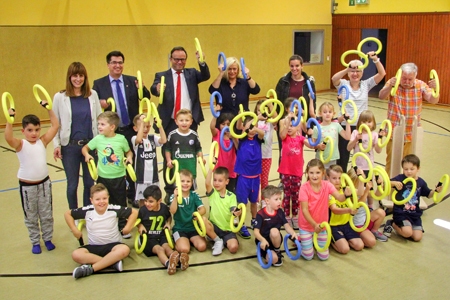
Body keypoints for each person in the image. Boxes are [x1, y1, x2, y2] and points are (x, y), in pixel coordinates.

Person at [151, 46, 209, 198]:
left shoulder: (191, 73)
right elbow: (153, 88)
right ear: (170, 59)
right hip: (169, 122)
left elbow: (206, 75)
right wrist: (157, 88)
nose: (179, 62)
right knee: (168, 157)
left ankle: (189, 188)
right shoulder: (162, 75)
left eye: (182, 59)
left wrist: (201, 61)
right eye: (176, 59)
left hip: (189, 122)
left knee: (189, 154)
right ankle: (171, 191)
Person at [93, 50, 151, 202]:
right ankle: (114, 197)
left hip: (130, 129)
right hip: (112, 132)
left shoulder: (132, 80)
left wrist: (142, 88)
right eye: (114, 62)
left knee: (132, 162)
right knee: (114, 163)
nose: (117, 65)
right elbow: (94, 106)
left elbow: (146, 98)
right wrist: (101, 104)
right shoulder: (99, 84)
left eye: (120, 62)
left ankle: (133, 196)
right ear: (108, 65)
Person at [4, 104, 58, 254]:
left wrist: (48, 108)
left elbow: (55, 125)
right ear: (23, 131)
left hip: (44, 184)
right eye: (29, 130)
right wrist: (9, 119)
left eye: (36, 129)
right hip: (27, 187)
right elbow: (8, 137)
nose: (34, 133)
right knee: (31, 215)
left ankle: (47, 238)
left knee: (46, 213)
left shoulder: (43, 141)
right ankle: (35, 241)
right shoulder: (21, 144)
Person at [53, 62, 102, 209]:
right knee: (72, 184)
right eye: (75, 75)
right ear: (69, 77)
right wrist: (57, 144)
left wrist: (100, 143)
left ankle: (87, 211)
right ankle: (74, 212)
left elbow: (100, 120)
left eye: (81, 76)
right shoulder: (60, 97)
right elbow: (56, 124)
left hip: (90, 145)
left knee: (89, 183)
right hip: (70, 147)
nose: (78, 79)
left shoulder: (92, 95)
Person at [64, 183, 138, 279]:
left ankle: (91, 269)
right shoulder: (87, 210)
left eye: (104, 198)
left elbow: (134, 212)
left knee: (124, 250)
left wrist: (128, 228)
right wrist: (74, 229)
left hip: (113, 246)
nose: (101, 202)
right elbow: (67, 214)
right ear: (91, 200)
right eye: (97, 199)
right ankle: (111, 263)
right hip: (94, 247)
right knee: (76, 255)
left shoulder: (113, 209)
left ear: (108, 198)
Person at [378, 63, 440, 175]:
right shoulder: (393, 83)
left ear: (415, 77)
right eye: (404, 78)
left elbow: (432, 100)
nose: (406, 82)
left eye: (410, 79)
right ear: (400, 75)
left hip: (412, 132)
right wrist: (389, 87)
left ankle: (408, 187)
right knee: (392, 163)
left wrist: (435, 90)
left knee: (410, 165)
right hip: (394, 131)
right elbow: (381, 96)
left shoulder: (421, 85)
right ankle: (390, 188)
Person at [81, 111, 133, 236]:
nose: (99, 127)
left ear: (112, 127)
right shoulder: (98, 139)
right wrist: (87, 155)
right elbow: (85, 148)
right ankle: (103, 224)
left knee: (120, 202)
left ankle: (121, 225)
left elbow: (128, 152)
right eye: (98, 124)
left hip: (119, 177)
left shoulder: (121, 139)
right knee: (103, 202)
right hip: (103, 178)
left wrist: (129, 158)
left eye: (102, 124)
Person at [331, 52, 385, 172]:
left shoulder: (366, 84)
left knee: (362, 155)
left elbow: (382, 74)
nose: (355, 73)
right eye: (352, 71)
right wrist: (347, 68)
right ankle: (342, 179)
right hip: (346, 125)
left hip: (362, 126)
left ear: (362, 72)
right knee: (343, 156)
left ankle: (359, 179)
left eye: (358, 71)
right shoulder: (343, 84)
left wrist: (375, 60)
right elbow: (334, 79)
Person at [298, 159, 349, 261]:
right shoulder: (304, 188)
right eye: (311, 173)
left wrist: (347, 195)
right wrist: (314, 225)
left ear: (323, 173)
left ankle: (309, 241)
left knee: (324, 257)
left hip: (322, 226)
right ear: (307, 173)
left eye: (317, 172)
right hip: (307, 226)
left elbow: (340, 198)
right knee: (308, 256)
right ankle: (302, 239)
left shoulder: (327, 185)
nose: (314, 176)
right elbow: (304, 210)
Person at [383, 154, 440, 242]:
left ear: (418, 169)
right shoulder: (401, 178)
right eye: (406, 169)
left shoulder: (421, 182)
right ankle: (392, 223)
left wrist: (436, 191)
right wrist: (394, 183)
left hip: (414, 214)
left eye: (412, 169)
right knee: (407, 233)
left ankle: (407, 226)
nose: (409, 171)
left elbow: (429, 194)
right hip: (401, 213)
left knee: (417, 238)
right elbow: (385, 183)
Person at [275, 55, 316, 171]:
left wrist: (310, 124)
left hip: (300, 121)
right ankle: (283, 176)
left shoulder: (309, 83)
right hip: (286, 120)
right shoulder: (283, 81)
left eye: (297, 66)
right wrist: (276, 120)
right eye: (292, 66)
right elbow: (277, 101)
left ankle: (296, 174)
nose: (294, 68)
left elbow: (313, 101)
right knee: (283, 149)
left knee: (297, 150)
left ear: (302, 66)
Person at [278, 109, 312, 229]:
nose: (290, 128)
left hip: (297, 172)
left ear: (298, 127)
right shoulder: (285, 138)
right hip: (285, 171)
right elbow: (282, 133)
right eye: (289, 126)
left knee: (296, 195)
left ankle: (296, 216)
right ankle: (287, 216)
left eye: (293, 126)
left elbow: (310, 144)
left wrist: (318, 144)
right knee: (287, 194)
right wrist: (288, 120)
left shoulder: (301, 139)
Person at [136, 185, 179, 275]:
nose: (147, 204)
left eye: (151, 201)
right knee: (160, 249)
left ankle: (179, 261)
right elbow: (137, 221)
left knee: (167, 248)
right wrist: (140, 226)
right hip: (148, 238)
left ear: (159, 201)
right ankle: (168, 264)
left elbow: (168, 217)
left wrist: (168, 223)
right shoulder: (143, 210)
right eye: (146, 201)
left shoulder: (164, 208)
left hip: (161, 235)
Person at [234, 116, 265, 239]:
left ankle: (254, 220)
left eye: (254, 126)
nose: (252, 129)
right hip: (243, 178)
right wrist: (246, 124)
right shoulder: (242, 139)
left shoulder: (258, 138)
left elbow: (262, 133)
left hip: (255, 177)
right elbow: (239, 128)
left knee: (254, 202)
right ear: (244, 128)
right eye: (249, 126)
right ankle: (241, 224)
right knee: (242, 203)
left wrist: (255, 126)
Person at [169, 169, 207, 270]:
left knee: (202, 247)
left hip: (193, 228)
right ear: (178, 183)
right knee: (184, 249)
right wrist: (176, 198)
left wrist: (198, 214)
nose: (185, 184)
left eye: (188, 181)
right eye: (182, 181)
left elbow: (203, 209)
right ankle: (178, 243)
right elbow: (172, 211)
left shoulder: (194, 195)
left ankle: (188, 241)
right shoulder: (173, 196)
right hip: (180, 228)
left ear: (192, 183)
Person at [346, 110, 383, 209]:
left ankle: (370, 206)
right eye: (364, 121)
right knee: (356, 187)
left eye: (369, 121)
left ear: (373, 123)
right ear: (359, 123)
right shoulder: (355, 132)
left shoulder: (374, 134)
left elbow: (379, 150)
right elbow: (348, 148)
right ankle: (355, 204)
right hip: (356, 167)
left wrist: (380, 138)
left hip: (368, 166)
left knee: (369, 187)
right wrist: (356, 140)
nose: (367, 124)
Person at [254, 185, 298, 267]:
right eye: (276, 199)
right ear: (267, 201)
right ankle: (264, 252)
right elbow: (256, 232)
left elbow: (287, 226)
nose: (279, 202)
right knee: (274, 260)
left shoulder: (280, 212)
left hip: (275, 238)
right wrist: (262, 240)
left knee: (274, 231)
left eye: (280, 199)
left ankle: (277, 250)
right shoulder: (261, 214)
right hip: (263, 241)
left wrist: (293, 233)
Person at [327, 165, 365, 254]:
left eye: (340, 178)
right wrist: (349, 210)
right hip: (334, 226)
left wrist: (361, 179)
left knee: (359, 246)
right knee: (345, 249)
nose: (337, 181)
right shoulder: (329, 192)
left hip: (347, 224)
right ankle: (331, 241)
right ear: (328, 178)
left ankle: (343, 240)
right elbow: (334, 210)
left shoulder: (345, 189)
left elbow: (360, 192)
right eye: (334, 178)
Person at [165, 109, 204, 196]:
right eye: (181, 120)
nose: (184, 123)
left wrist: (201, 157)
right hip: (178, 170)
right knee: (179, 191)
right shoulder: (172, 135)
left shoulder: (194, 135)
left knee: (191, 191)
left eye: (187, 120)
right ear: (176, 122)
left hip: (191, 170)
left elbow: (198, 148)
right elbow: (168, 149)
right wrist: (168, 160)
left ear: (191, 122)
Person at [131, 113, 167, 207]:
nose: (145, 129)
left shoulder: (152, 138)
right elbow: (138, 139)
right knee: (143, 200)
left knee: (155, 198)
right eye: (143, 126)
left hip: (153, 177)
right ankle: (144, 217)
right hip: (141, 177)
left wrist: (160, 126)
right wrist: (142, 123)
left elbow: (163, 140)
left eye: (147, 126)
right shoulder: (135, 138)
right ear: (135, 128)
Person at [203, 167, 240, 256]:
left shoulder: (231, 196)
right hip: (214, 227)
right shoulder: (213, 193)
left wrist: (236, 213)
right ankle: (218, 240)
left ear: (226, 182)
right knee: (203, 220)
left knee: (233, 248)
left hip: (227, 230)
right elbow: (207, 183)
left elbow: (233, 209)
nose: (216, 183)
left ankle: (220, 240)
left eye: (220, 180)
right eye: (215, 180)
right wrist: (211, 168)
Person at [346, 168, 388, 245]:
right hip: (357, 225)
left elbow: (376, 196)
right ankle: (355, 237)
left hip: (366, 219)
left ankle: (374, 231)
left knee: (381, 212)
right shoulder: (349, 191)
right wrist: (366, 192)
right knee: (371, 242)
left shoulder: (364, 189)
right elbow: (358, 205)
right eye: (360, 182)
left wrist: (379, 185)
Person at [312, 102, 351, 168]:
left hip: (333, 159)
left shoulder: (336, 125)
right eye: (325, 112)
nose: (327, 114)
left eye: (330, 112)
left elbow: (347, 137)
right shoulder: (317, 128)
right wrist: (319, 146)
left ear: (333, 114)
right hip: (320, 159)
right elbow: (313, 145)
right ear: (320, 113)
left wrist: (347, 122)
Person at [210, 106, 237, 192]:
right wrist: (215, 115)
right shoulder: (217, 134)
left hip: (231, 168)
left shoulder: (234, 136)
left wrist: (233, 138)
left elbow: (238, 148)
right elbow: (212, 127)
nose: (226, 126)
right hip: (219, 168)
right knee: (219, 190)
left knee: (230, 191)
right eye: (223, 124)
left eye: (228, 124)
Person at [254, 99, 276, 191]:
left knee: (264, 179)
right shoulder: (255, 121)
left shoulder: (271, 122)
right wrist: (257, 118)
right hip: (255, 156)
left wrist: (271, 105)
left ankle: (264, 199)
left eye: (264, 110)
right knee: (255, 179)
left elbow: (276, 119)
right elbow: (251, 127)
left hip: (266, 156)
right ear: (256, 111)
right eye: (259, 110)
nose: (261, 112)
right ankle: (256, 199)